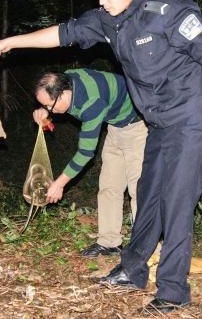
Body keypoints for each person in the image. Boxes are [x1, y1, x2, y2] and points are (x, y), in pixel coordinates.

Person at [0, 0, 202, 313]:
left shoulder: (170, 10)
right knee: (148, 191)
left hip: (191, 116)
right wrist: (11, 43)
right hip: (157, 121)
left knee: (176, 199)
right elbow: (62, 33)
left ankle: (173, 290)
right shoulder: (107, 18)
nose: (101, 1)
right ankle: (132, 269)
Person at [32, 69, 147, 258]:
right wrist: (44, 110)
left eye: (49, 105)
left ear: (61, 95)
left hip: (137, 127)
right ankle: (110, 243)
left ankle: (145, 247)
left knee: (139, 189)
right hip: (116, 127)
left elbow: (85, 153)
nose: (49, 109)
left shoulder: (91, 104)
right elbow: (52, 100)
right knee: (109, 187)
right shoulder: (66, 79)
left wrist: (59, 184)